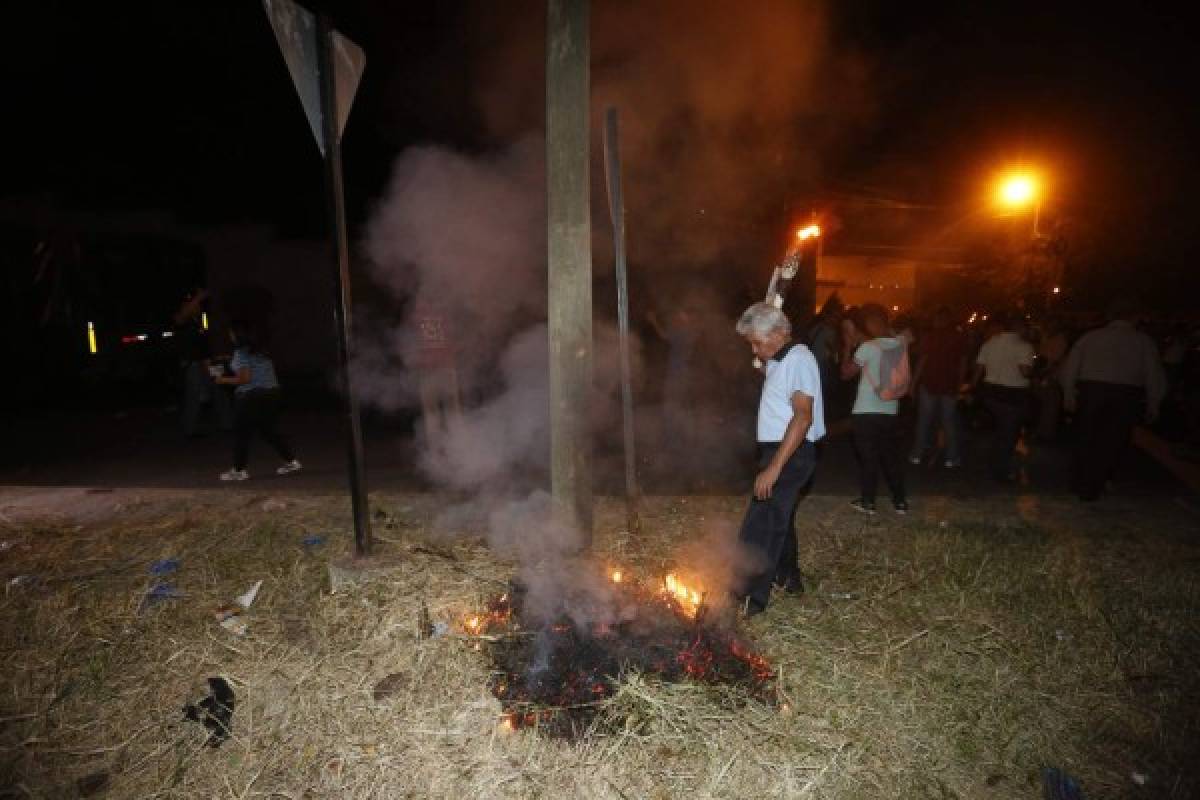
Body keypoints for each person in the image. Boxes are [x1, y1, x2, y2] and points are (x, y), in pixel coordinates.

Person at [733, 302, 825, 616]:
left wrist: (774, 468)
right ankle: (789, 580)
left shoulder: (799, 360)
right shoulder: (781, 359)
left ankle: (749, 600)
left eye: (758, 343)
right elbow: (767, 370)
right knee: (779, 518)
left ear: (779, 333)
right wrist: (762, 360)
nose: (756, 350)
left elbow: (802, 418)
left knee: (761, 526)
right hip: (782, 450)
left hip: (790, 452)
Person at [1060, 299, 1167, 501]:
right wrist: (1154, 402)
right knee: (1112, 441)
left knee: (1086, 436)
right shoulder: (1143, 341)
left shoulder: (1090, 337)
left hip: (1092, 391)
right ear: (1134, 318)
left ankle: (1079, 481)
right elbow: (1154, 375)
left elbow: (1070, 367)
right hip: (1125, 395)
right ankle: (1096, 484)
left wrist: (1068, 392)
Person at [841, 303, 909, 514]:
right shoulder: (899, 345)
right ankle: (900, 502)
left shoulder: (868, 347)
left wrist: (847, 347)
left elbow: (846, 373)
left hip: (866, 410)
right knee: (890, 456)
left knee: (868, 457)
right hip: (890, 409)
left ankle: (868, 501)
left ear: (871, 323)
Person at [214, 320, 301, 481]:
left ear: (237, 335)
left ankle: (239, 470)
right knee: (268, 431)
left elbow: (245, 378)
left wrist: (223, 380)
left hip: (251, 396)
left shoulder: (241, 353)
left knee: (242, 434)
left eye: (231, 332)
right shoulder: (261, 350)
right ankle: (291, 461)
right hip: (272, 394)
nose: (229, 335)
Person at [971, 312, 1035, 483]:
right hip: (1012, 395)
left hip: (991, 393)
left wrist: (973, 388)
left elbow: (978, 369)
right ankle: (999, 472)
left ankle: (994, 466)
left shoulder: (990, 343)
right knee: (1008, 435)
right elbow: (1025, 371)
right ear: (1020, 327)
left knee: (1001, 432)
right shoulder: (1024, 346)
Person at [909, 307, 967, 468]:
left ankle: (917, 455)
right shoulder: (959, 337)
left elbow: (922, 361)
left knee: (924, 421)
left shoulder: (930, 337)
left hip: (929, 383)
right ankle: (951, 458)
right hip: (949, 385)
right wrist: (960, 383)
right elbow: (963, 362)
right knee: (948, 422)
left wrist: (913, 384)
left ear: (940, 320)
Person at [173, 288, 231, 437]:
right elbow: (181, 316)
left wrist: (218, 358)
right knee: (193, 396)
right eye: (195, 305)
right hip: (194, 364)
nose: (199, 307)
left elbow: (206, 344)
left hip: (208, 361)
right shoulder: (182, 321)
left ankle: (227, 424)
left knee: (220, 390)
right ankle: (188, 431)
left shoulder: (200, 321)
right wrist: (198, 297)